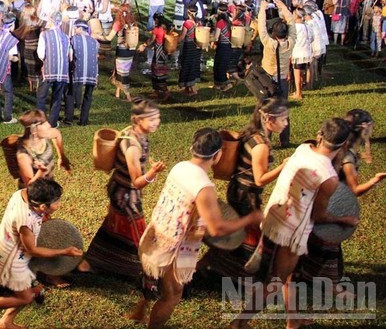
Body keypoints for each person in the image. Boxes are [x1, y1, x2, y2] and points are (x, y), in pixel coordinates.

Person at [229, 119, 358, 329]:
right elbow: (318, 215)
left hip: (274, 216)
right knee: (276, 280)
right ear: (343, 145)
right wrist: (343, 220)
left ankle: (293, 320)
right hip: (292, 231)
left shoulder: (302, 149)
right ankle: (239, 322)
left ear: (320, 136)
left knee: (288, 275)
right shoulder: (329, 177)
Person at [134, 128, 261, 327]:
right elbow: (217, 229)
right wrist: (249, 219)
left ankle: (141, 308)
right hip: (173, 250)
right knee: (173, 296)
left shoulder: (180, 166)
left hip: (156, 236)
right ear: (218, 154)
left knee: (156, 280)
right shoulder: (204, 186)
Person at [0, 178, 82, 329]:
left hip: (9, 252)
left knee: (35, 289)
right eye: (56, 201)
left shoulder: (22, 194)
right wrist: (64, 251)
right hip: (10, 263)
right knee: (25, 298)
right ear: (42, 206)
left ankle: (5, 322)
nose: (59, 204)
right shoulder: (26, 221)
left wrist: (43, 215)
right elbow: (32, 250)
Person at [294, 110, 386, 288]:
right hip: (330, 203)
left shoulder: (336, 146)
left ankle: (304, 273)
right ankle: (325, 283)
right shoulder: (347, 156)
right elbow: (355, 190)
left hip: (314, 198)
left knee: (313, 239)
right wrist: (375, 180)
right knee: (327, 244)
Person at [199, 98, 288, 279]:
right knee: (247, 238)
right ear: (269, 120)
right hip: (247, 196)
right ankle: (238, 276)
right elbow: (260, 179)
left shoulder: (250, 134)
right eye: (283, 119)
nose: (286, 124)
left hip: (237, 190)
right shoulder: (261, 145)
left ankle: (206, 267)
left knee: (236, 234)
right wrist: (284, 166)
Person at [79, 98, 164, 282]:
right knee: (139, 234)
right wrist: (153, 172)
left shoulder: (133, 133)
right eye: (151, 119)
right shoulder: (132, 146)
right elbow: (137, 182)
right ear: (137, 119)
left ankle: (92, 262)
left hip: (121, 190)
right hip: (126, 195)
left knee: (113, 228)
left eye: (157, 118)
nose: (155, 122)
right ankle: (148, 275)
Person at [256, 0, 295, 147]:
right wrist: (282, 6)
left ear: (274, 32)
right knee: (283, 111)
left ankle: (266, 139)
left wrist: (263, 9)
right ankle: (285, 141)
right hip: (283, 80)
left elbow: (261, 27)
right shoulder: (291, 42)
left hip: (268, 80)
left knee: (267, 110)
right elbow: (291, 21)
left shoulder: (269, 44)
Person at [15, 109, 69, 189]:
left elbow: (57, 134)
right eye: (43, 123)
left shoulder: (43, 136)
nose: (49, 125)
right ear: (33, 130)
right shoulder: (24, 154)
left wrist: (62, 157)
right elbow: (29, 185)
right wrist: (41, 171)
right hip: (35, 194)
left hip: (49, 185)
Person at [36, 12, 71, 127]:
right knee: (57, 97)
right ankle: (52, 122)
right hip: (62, 72)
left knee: (41, 96)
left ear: (51, 20)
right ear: (60, 22)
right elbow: (68, 54)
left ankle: (40, 121)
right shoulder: (66, 37)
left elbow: (41, 54)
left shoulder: (44, 35)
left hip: (48, 71)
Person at [64, 19, 98, 126]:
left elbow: (70, 57)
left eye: (75, 28)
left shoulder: (73, 39)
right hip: (91, 72)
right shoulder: (95, 42)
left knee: (70, 94)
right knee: (88, 96)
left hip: (77, 71)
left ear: (79, 28)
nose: (74, 30)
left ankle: (69, 119)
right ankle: (83, 120)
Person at [177, 7, 202, 95]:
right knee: (193, 65)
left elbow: (182, 37)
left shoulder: (187, 23)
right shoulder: (198, 23)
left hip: (189, 46)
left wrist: (176, 41)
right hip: (197, 46)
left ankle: (192, 88)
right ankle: (189, 87)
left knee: (187, 65)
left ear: (188, 13)